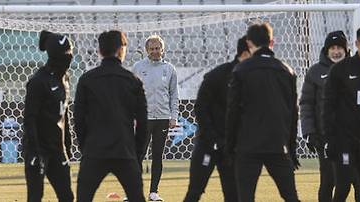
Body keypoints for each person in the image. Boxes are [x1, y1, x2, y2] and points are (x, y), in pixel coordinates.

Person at [226, 22, 300, 202]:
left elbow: (232, 112)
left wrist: (230, 147)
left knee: (246, 197)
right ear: (271, 42)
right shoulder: (287, 71)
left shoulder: (241, 70)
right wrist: (291, 148)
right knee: (291, 196)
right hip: (278, 145)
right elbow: (293, 113)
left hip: (247, 146)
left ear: (249, 43)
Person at [74, 29, 148, 202]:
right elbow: (143, 122)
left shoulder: (87, 80)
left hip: (94, 150)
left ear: (100, 51)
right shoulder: (132, 81)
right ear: (122, 50)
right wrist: (136, 154)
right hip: (125, 151)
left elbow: (78, 119)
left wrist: (86, 148)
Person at [183, 36, 250, 202]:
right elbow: (200, 108)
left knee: (233, 195)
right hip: (208, 145)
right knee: (195, 191)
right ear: (246, 53)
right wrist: (212, 137)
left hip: (230, 148)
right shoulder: (217, 76)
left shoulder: (251, 79)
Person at [322, 24, 360, 202]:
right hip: (344, 143)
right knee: (343, 188)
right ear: (357, 44)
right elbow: (328, 107)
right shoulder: (340, 70)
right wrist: (330, 140)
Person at [22, 30, 75, 202]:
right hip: (38, 150)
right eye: (66, 54)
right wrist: (35, 151)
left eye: (70, 52)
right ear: (54, 55)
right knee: (35, 196)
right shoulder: (38, 81)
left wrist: (67, 143)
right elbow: (29, 118)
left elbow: (64, 114)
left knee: (67, 196)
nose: (69, 57)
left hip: (58, 150)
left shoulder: (65, 78)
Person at [299, 30, 350, 202]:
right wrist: (309, 132)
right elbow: (306, 103)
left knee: (356, 182)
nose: (336, 51)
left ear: (346, 49)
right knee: (329, 181)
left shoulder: (355, 68)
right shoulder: (315, 72)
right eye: (333, 47)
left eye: (340, 47)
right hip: (325, 138)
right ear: (327, 50)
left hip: (353, 137)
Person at [132, 34, 179, 201]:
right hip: (143, 118)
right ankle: (134, 193)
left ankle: (153, 192)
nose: (154, 51)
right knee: (138, 155)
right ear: (146, 50)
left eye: (157, 48)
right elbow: (131, 94)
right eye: (151, 49)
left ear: (162, 49)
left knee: (158, 155)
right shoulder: (137, 67)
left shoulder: (170, 69)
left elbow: (174, 95)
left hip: (163, 118)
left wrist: (174, 116)